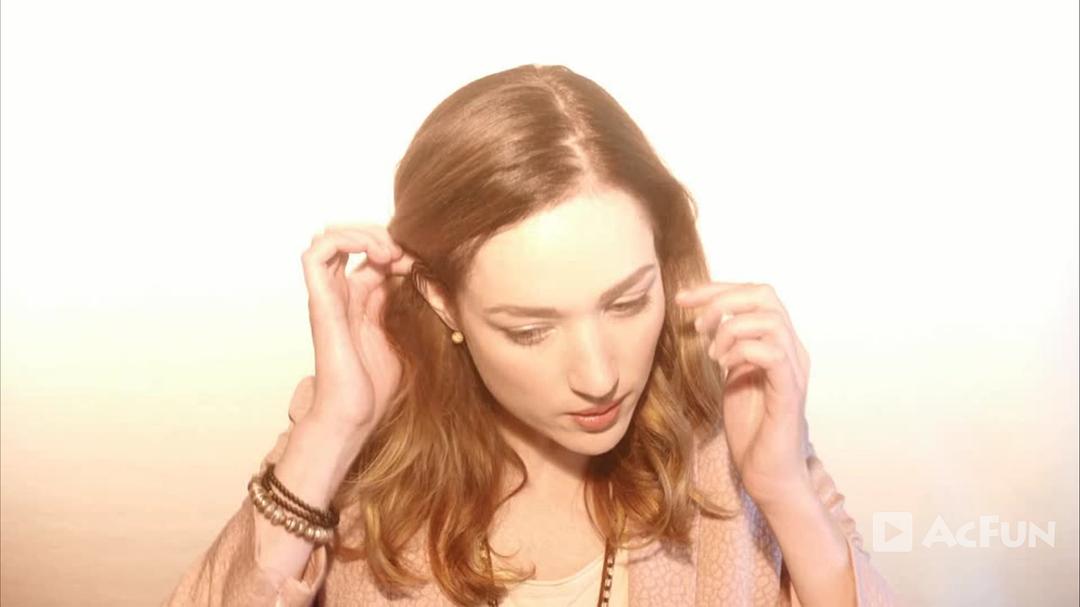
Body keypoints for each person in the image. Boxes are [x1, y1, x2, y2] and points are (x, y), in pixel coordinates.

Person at [164, 63, 899, 606]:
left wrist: (783, 490)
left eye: (627, 302)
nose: (599, 375)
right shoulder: (352, 455)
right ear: (442, 301)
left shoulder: (733, 441)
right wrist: (333, 429)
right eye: (530, 329)